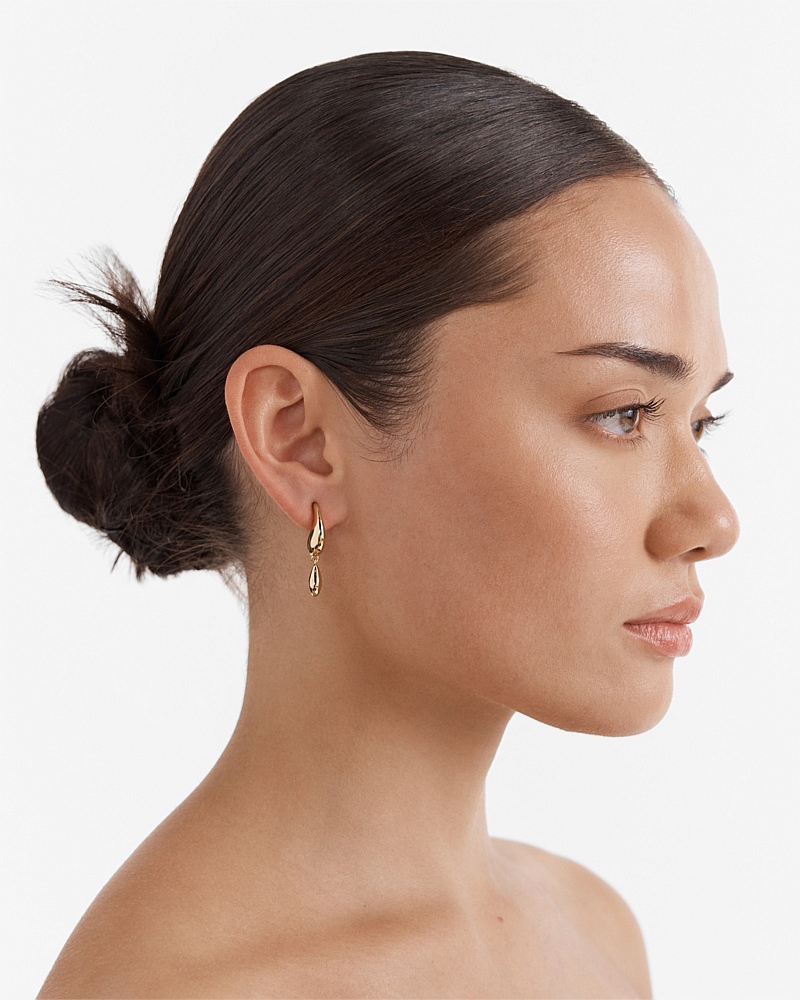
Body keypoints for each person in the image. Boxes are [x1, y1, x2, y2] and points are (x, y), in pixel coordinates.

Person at [34, 50, 739, 999]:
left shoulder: (595, 936)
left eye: (701, 423)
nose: (714, 520)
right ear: (300, 439)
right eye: (622, 414)